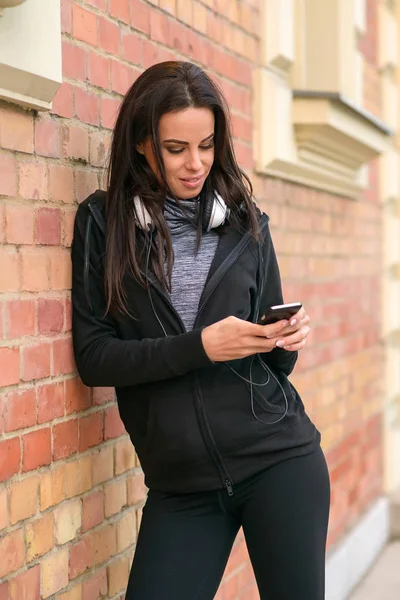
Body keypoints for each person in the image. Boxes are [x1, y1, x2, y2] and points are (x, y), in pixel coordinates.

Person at [71, 61, 330, 600]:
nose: (196, 164)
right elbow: (95, 357)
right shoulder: (104, 223)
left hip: (280, 461)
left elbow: (275, 365)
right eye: (176, 149)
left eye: (207, 146)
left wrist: (284, 337)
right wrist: (200, 347)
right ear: (144, 144)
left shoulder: (247, 224)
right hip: (181, 486)